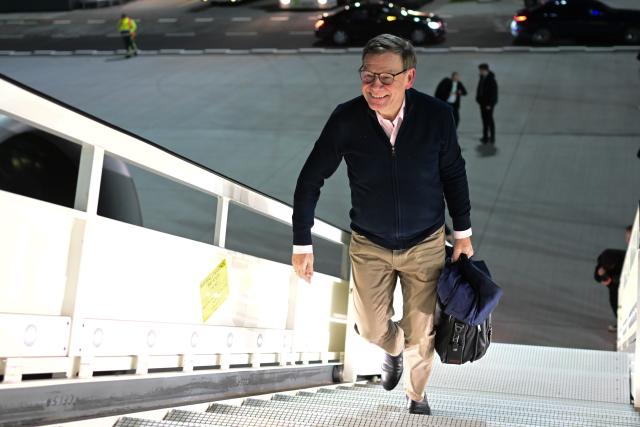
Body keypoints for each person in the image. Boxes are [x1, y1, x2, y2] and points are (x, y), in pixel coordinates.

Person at [291, 34, 474, 416]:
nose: (375, 87)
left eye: (386, 78)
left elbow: (454, 174)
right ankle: (392, 349)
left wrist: (463, 234)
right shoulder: (346, 119)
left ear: (409, 77)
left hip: (425, 242)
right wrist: (302, 243)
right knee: (371, 328)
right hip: (369, 244)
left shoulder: (437, 115)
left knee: (422, 331)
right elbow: (310, 178)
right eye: (368, 75)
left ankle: (417, 396)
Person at [594, 248, 626, 332]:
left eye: (611, 266)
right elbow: (596, 277)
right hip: (613, 286)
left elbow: (625, 276)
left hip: (626, 280)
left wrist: (611, 279)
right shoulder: (603, 259)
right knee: (614, 301)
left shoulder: (624, 259)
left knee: (626, 300)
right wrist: (601, 276)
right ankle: (621, 322)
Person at [475, 63, 498, 144]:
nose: (480, 72)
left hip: (488, 105)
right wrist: (478, 99)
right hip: (482, 103)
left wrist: (490, 104)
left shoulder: (492, 80)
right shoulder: (482, 78)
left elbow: (494, 94)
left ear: (485, 70)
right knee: (484, 120)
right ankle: (485, 137)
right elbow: (479, 89)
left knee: (490, 120)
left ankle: (492, 137)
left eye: (481, 70)